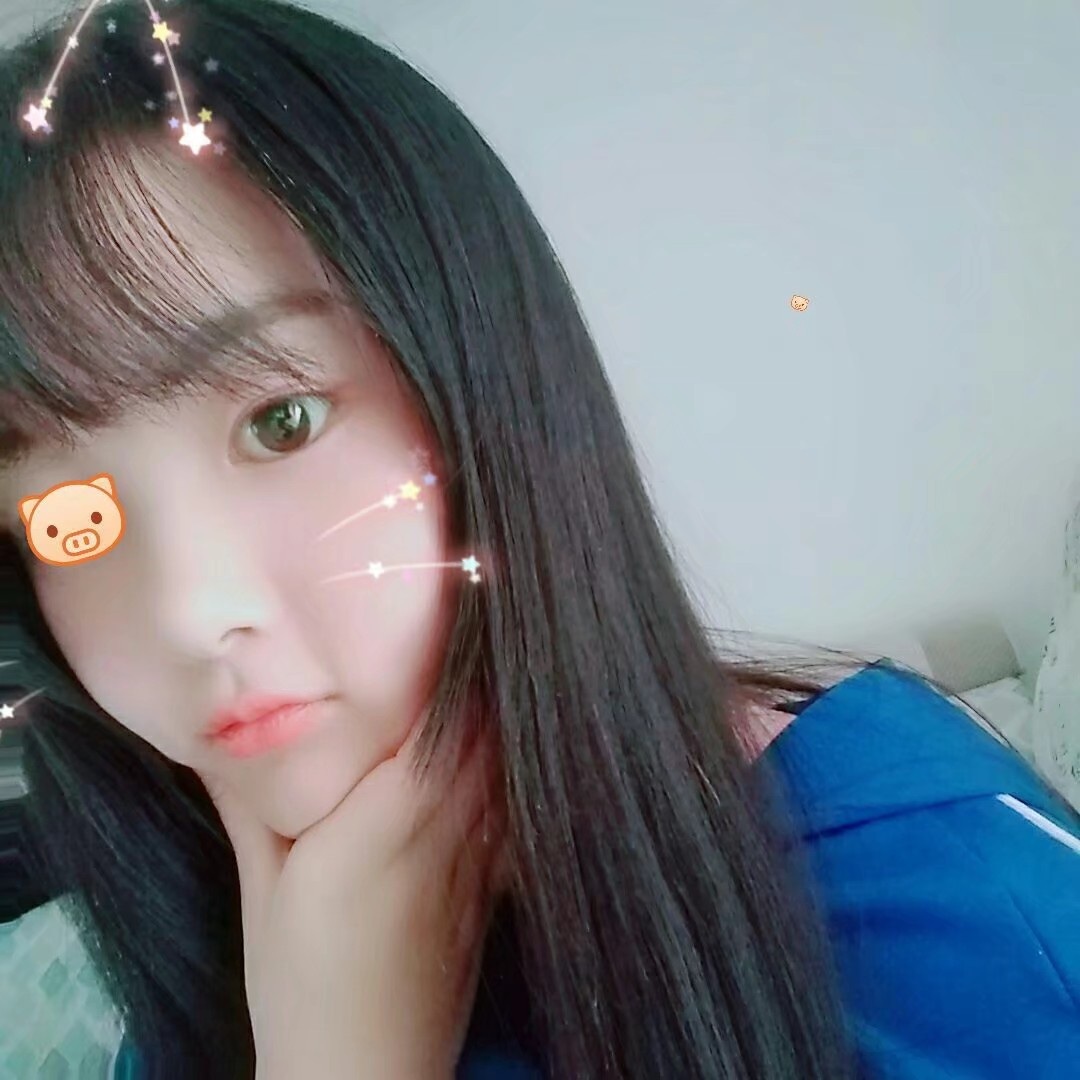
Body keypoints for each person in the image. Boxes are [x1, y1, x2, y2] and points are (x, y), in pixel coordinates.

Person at [0, 1, 1076, 1077]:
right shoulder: (196, 983)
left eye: (282, 421)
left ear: (489, 393)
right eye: (69, 520)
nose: (186, 614)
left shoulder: (938, 886)